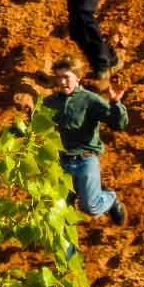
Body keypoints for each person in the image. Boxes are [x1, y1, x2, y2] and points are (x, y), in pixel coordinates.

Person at [31, 56, 129, 225]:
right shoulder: (49, 103)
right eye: (59, 77)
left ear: (78, 77)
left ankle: (110, 198)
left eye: (66, 77)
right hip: (60, 163)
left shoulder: (90, 100)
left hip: (85, 160)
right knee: (60, 211)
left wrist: (115, 103)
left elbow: (118, 124)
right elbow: (33, 128)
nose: (62, 82)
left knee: (90, 206)